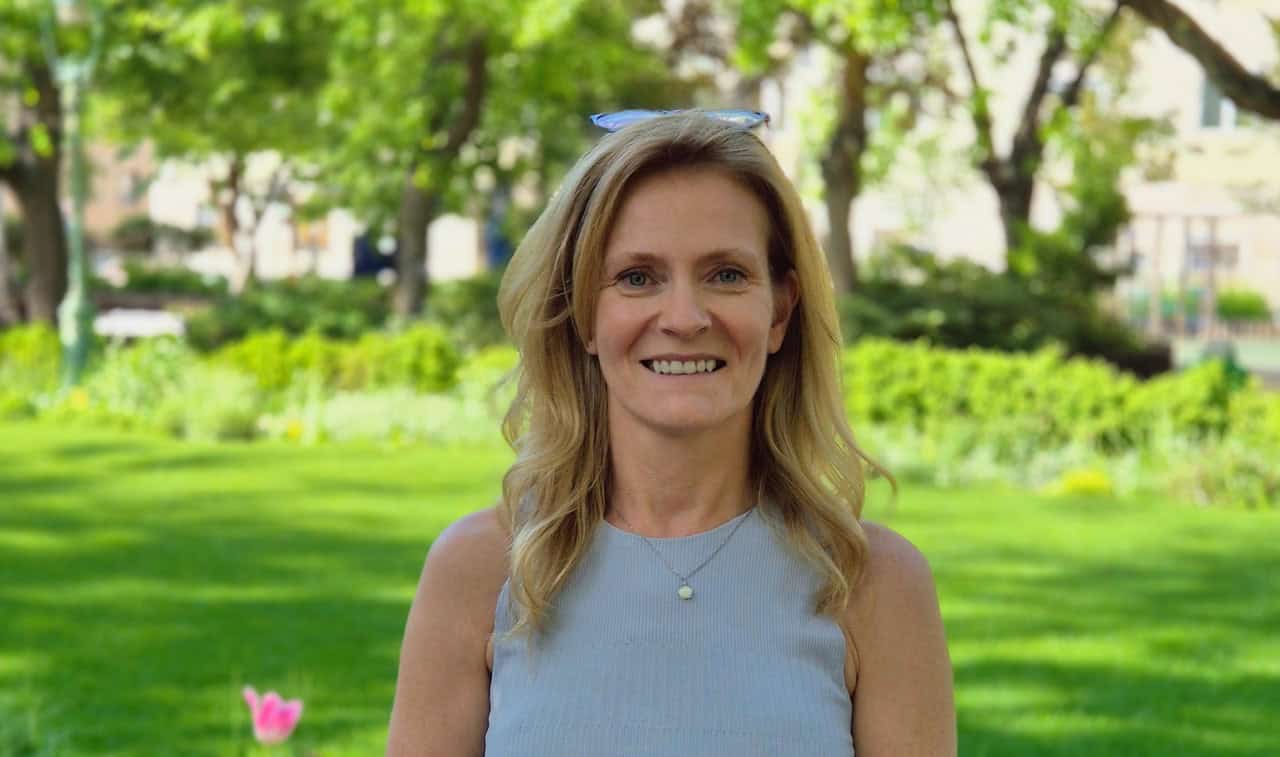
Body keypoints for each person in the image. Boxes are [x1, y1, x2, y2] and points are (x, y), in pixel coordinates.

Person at [386, 110, 955, 756]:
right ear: (583, 314)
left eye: (726, 274)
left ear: (781, 310)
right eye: (637, 277)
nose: (684, 318)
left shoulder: (874, 584)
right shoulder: (481, 569)